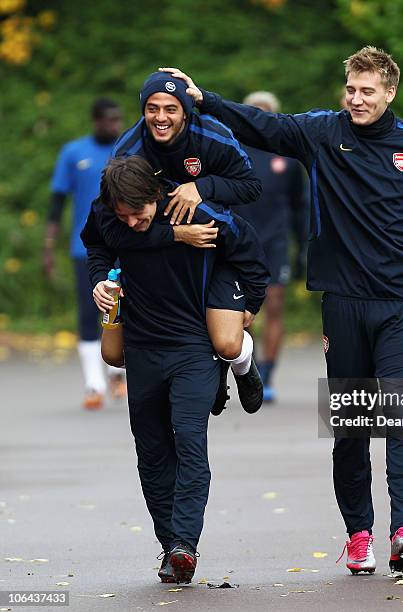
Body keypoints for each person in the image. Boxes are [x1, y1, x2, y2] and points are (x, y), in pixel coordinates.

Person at [160, 45, 403, 576]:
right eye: (350, 89)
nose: (355, 99)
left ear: (389, 92)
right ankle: (358, 535)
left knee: (401, 417)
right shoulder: (324, 132)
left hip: (402, 303)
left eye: (367, 91)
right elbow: (264, 126)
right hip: (344, 303)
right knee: (352, 426)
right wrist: (205, 101)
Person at [81, 156, 269, 583]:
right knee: (151, 451)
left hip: (192, 346)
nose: (130, 223)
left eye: (139, 213)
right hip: (142, 346)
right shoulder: (110, 216)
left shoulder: (197, 213)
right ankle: (171, 549)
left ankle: (186, 543)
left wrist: (248, 308)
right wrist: (99, 279)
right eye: (122, 216)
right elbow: (99, 246)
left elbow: (254, 255)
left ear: (157, 197)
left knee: (187, 439)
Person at [106, 71, 264, 414]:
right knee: (115, 353)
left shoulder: (212, 136)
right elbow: (109, 223)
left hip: (214, 244)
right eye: (152, 108)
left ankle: (241, 363)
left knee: (226, 342)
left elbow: (251, 186)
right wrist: (174, 233)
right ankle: (201, 380)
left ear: (185, 112)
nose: (161, 117)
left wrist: (203, 187)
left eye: (170, 109)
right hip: (159, 252)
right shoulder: (128, 151)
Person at [43, 98, 126, 410]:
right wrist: (48, 247)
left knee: (126, 310)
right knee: (91, 312)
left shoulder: (127, 150)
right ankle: (94, 384)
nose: (114, 126)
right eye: (108, 120)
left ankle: (118, 374)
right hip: (85, 248)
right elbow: (56, 203)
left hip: (126, 245)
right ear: (95, 121)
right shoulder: (74, 153)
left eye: (118, 119)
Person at [237, 90, 309, 402]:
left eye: (265, 112)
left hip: (276, 243)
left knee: (275, 306)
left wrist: (305, 247)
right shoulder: (232, 152)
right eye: (253, 111)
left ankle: (268, 372)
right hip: (240, 245)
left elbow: (300, 206)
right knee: (241, 312)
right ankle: (249, 366)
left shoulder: (288, 158)